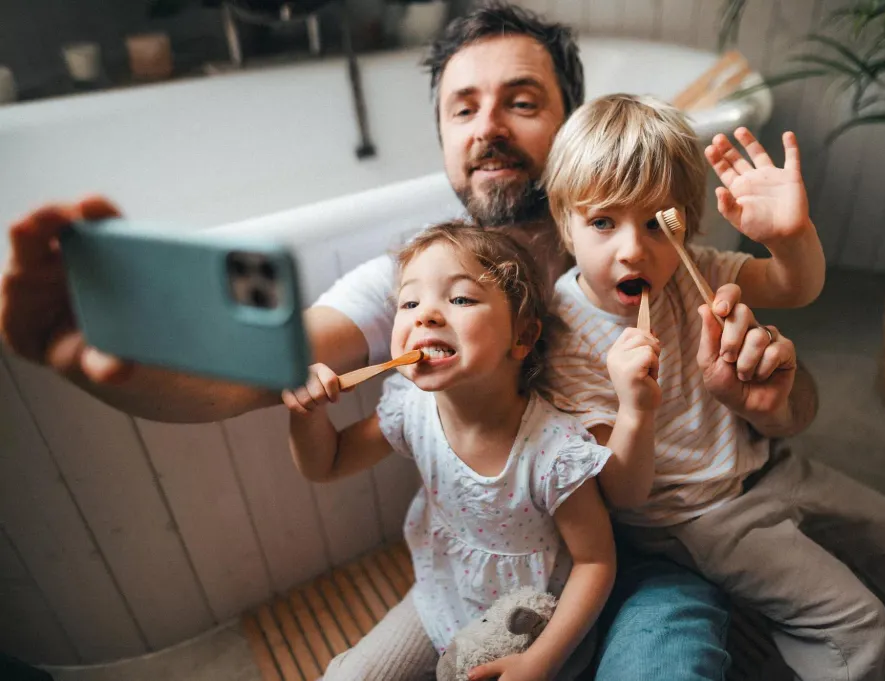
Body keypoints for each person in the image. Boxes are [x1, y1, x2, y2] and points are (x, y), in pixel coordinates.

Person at [0, 3, 803, 678]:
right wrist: (108, 364)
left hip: (659, 544)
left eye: (521, 101)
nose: (487, 125)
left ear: (572, 124)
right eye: (462, 108)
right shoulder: (418, 279)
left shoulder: (650, 244)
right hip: (487, 573)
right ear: (443, 136)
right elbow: (255, 371)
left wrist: (779, 399)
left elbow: (791, 403)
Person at [539, 92, 885, 679]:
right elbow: (624, 496)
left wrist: (790, 237)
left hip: (769, 461)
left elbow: (796, 286)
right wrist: (636, 409)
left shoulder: (697, 270)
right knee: (858, 622)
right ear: (565, 223)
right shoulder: (565, 337)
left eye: (655, 223)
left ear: (686, 224)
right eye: (602, 223)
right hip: (695, 517)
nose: (634, 249)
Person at [286, 223, 616, 680]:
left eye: (460, 299)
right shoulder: (409, 410)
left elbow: (595, 561)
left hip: (532, 626)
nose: (426, 315)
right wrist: (306, 413)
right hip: (443, 593)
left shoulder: (554, 453)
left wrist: (541, 661)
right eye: (409, 302)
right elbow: (329, 463)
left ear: (521, 337)